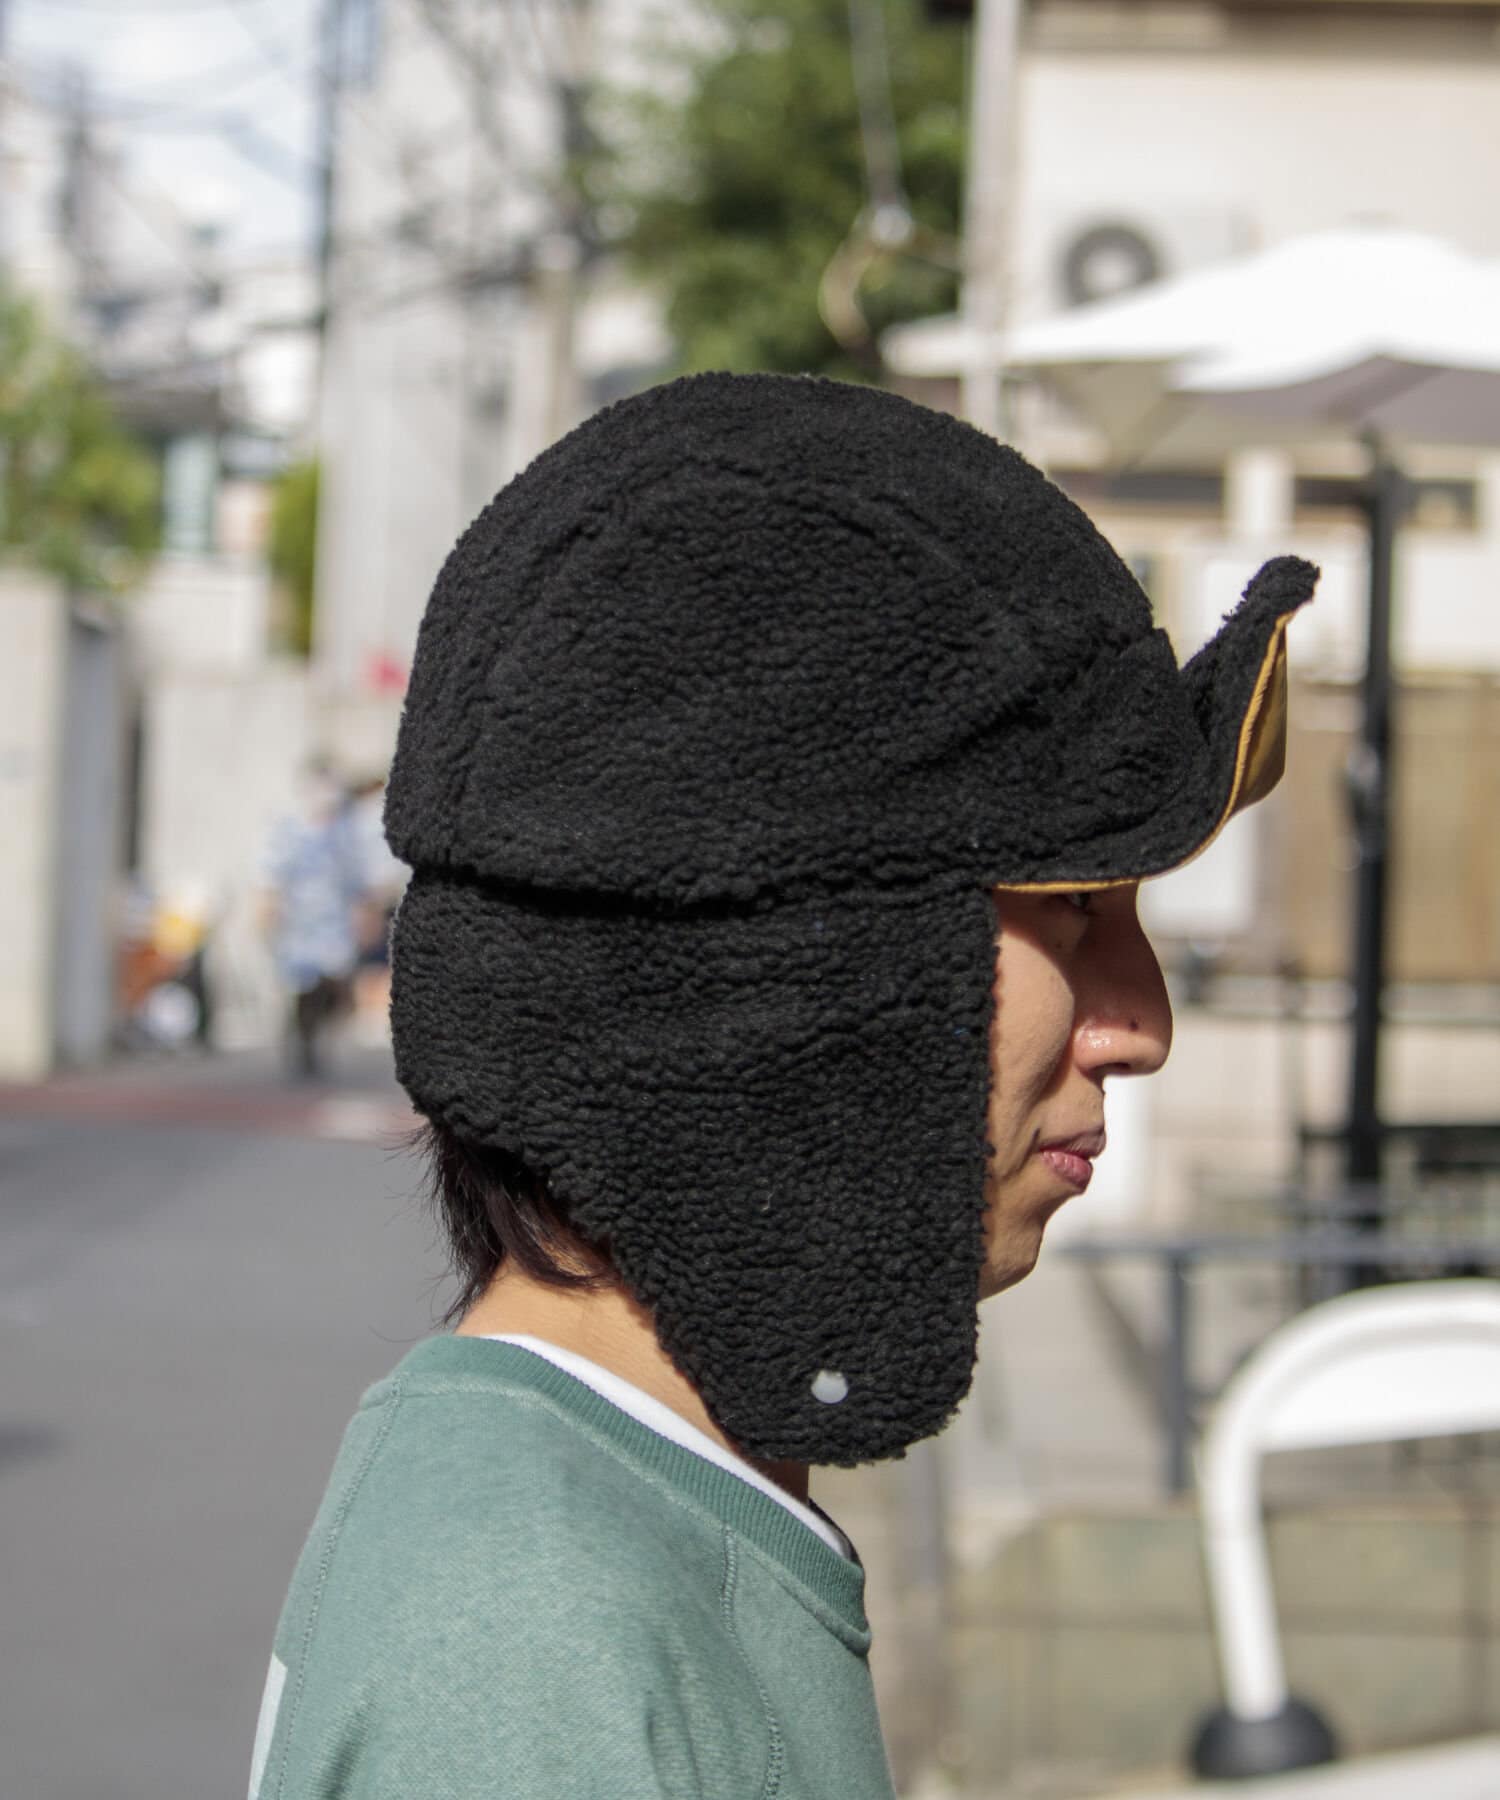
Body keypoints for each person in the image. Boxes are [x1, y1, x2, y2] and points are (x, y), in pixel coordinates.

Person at [249, 373, 1317, 1799]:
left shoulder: (624, 1520)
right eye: (1071, 911)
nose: (1141, 1025)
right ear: (781, 963)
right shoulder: (532, 1644)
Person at [259, 762, 371, 1080]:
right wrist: (267, 911)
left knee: (335, 986)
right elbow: (271, 875)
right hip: (300, 925)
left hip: (335, 926)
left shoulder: (346, 831)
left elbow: (359, 878)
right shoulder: (290, 830)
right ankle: (303, 1040)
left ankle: (316, 1030)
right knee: (304, 986)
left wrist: (366, 914)